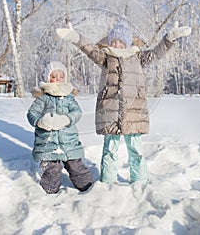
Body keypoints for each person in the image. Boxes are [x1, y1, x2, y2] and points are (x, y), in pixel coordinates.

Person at [56, 20, 191, 184]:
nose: (117, 44)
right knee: (109, 149)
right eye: (114, 41)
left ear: (127, 43)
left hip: (133, 113)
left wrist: (170, 38)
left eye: (121, 41)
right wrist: (76, 37)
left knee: (136, 149)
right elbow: (90, 50)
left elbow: (157, 52)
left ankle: (139, 180)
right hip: (110, 113)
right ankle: (108, 180)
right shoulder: (106, 58)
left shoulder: (138, 58)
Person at [27, 61, 93, 194]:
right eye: (53, 76)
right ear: (47, 78)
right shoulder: (43, 98)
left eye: (61, 76)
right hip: (48, 143)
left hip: (69, 142)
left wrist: (66, 119)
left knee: (76, 166)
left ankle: (88, 188)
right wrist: (40, 122)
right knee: (51, 170)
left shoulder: (69, 98)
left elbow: (77, 112)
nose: (57, 79)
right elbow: (31, 113)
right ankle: (50, 191)